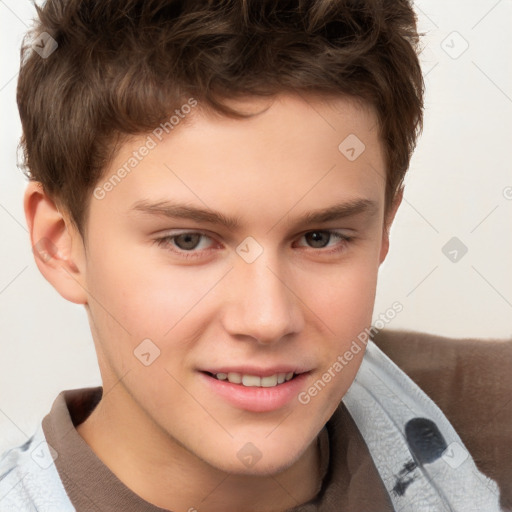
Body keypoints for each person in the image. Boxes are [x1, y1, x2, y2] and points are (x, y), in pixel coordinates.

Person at [0, 0, 510, 511]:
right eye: (189, 241)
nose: (267, 320)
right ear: (59, 243)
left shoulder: (490, 419)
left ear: (384, 229)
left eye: (320, 238)